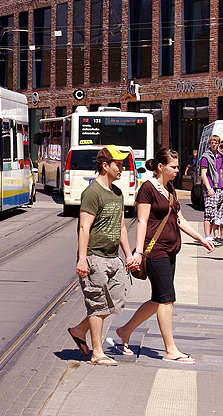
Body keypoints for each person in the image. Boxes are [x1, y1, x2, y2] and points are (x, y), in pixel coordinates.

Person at [116, 149, 214, 364]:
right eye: (174, 167)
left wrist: (201, 238)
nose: (178, 170)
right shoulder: (147, 189)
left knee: (158, 299)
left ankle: (124, 330)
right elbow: (142, 222)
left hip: (170, 250)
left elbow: (179, 218)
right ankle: (170, 349)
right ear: (160, 166)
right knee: (167, 299)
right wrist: (138, 252)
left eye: (178, 167)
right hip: (155, 250)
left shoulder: (169, 187)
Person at [67, 145, 134, 366]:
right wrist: (82, 258)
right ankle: (97, 353)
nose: (122, 168)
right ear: (105, 166)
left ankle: (79, 330)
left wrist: (129, 254)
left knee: (115, 302)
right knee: (97, 305)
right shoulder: (92, 193)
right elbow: (84, 228)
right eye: (119, 164)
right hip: (95, 257)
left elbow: (122, 226)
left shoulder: (117, 193)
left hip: (114, 257)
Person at [198, 135, 223, 246]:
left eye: (216, 142)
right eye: (212, 142)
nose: (214, 144)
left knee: (218, 214)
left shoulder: (221, 156)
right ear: (209, 144)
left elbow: (221, 171)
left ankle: (215, 236)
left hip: (220, 187)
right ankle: (208, 237)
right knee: (209, 213)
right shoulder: (206, 157)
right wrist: (209, 188)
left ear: (219, 144)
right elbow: (203, 174)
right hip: (211, 188)